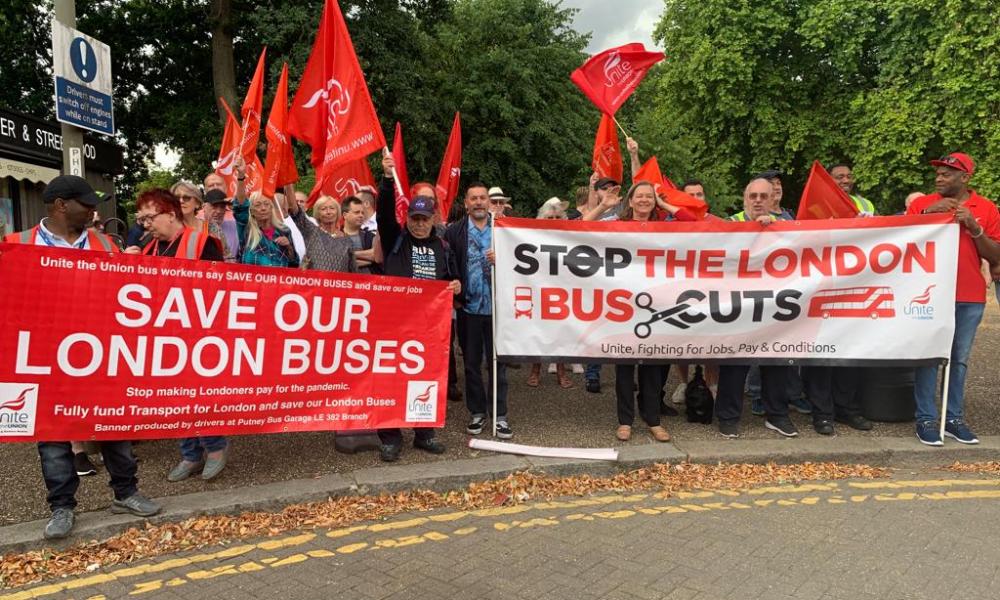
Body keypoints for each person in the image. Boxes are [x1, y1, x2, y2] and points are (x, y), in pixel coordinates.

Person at [3, 175, 162, 538]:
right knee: (53, 433)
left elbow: (127, 298)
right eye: (86, 203)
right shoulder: (17, 245)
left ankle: (126, 492)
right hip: (44, 358)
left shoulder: (107, 245)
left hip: (101, 355)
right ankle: (61, 507)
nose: (93, 209)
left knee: (112, 424)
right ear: (61, 206)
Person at [127, 189, 228, 480]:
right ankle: (190, 454)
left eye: (149, 218)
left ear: (170, 215)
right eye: (141, 219)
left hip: (198, 332)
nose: (145, 225)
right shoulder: (148, 249)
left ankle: (215, 448)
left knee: (200, 395)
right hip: (165, 336)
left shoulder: (203, 243)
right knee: (174, 398)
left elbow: (219, 290)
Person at [908, 152, 1000, 445]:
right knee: (927, 357)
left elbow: (995, 255)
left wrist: (974, 227)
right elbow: (898, 240)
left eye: (947, 173)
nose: (939, 177)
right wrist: (927, 214)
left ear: (965, 178)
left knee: (958, 360)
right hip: (929, 295)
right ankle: (925, 418)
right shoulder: (923, 204)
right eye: (938, 173)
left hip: (969, 295)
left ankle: (953, 418)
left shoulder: (985, 208)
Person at [376, 153, 461, 461]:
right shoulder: (395, 239)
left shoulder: (442, 245)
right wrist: (387, 180)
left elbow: (452, 278)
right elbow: (384, 214)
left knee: (426, 379)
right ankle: (390, 437)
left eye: (425, 219)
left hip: (429, 329)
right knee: (391, 380)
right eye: (415, 219)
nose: (420, 224)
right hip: (395, 325)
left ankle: (424, 433)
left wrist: (456, 285)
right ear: (408, 218)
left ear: (433, 220)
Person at [584, 181, 675, 441]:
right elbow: (581, 228)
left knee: (653, 369)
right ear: (631, 201)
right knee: (624, 368)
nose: (645, 200)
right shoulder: (617, 225)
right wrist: (603, 205)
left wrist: (665, 203)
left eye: (650, 197)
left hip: (656, 307)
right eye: (640, 196)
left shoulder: (667, 228)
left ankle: (653, 420)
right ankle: (625, 421)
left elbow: (693, 220)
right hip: (623, 308)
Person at [716, 178, 797, 439]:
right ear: (745, 198)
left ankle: (778, 416)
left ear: (773, 198)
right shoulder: (730, 223)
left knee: (776, 361)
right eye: (754, 196)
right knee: (734, 363)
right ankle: (728, 417)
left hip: (775, 304)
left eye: (764, 196)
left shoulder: (788, 226)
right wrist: (752, 229)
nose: (759, 201)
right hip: (739, 304)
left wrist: (775, 231)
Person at [445, 180, 514, 439]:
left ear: (490, 201)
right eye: (473, 198)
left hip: (498, 309)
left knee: (499, 364)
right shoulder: (454, 232)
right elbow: (448, 263)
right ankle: (477, 412)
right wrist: (453, 282)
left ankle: (500, 414)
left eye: (482, 198)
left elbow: (522, 262)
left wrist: (504, 258)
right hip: (469, 308)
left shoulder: (505, 229)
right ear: (466, 204)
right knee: (472, 364)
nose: (478, 202)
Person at [527, 198, 575, 389]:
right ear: (541, 218)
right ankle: (535, 370)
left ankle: (561, 371)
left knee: (559, 331)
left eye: (557, 216)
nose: (553, 219)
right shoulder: (531, 236)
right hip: (538, 287)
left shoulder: (568, 236)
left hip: (561, 289)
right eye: (550, 216)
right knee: (538, 330)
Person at [281, 185, 355, 273]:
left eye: (332, 208)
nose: (328, 212)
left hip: (337, 285)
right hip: (314, 284)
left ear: (338, 212)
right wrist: (288, 183)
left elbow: (353, 272)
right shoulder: (311, 231)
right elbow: (294, 210)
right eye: (324, 209)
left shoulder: (347, 240)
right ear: (317, 213)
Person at [233, 192, 298, 267]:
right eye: (258, 205)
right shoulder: (246, 230)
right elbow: (240, 207)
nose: (263, 208)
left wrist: (289, 248)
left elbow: (294, 265)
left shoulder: (284, 230)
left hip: (278, 277)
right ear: (251, 211)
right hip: (253, 278)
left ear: (271, 208)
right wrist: (241, 180)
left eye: (266, 204)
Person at [341, 195, 378, 273]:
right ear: (345, 215)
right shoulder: (335, 236)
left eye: (362, 213)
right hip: (343, 283)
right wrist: (368, 260)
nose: (361, 215)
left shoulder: (370, 236)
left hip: (368, 283)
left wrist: (349, 254)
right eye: (357, 212)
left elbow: (377, 255)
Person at [204, 189, 239, 262]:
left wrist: (237, 207)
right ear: (204, 207)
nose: (219, 211)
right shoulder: (195, 226)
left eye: (222, 207)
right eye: (214, 206)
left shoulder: (235, 226)